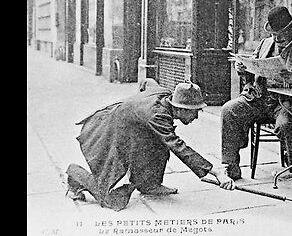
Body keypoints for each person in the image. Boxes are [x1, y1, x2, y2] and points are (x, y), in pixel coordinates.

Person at [65, 81, 235, 211]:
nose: (197, 116)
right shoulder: (157, 116)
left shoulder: (166, 94)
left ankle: (149, 184)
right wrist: (216, 172)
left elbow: (147, 82)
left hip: (128, 130)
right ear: (181, 109)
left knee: (159, 141)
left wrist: (136, 110)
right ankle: (74, 173)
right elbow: (179, 147)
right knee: (112, 200)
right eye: (195, 111)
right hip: (107, 131)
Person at [221, 6, 292, 180]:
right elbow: (252, 65)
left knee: (285, 123)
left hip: (287, 103)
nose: (277, 39)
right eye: (274, 35)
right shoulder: (265, 44)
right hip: (258, 98)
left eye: (281, 35)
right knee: (229, 110)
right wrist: (242, 68)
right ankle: (231, 165)